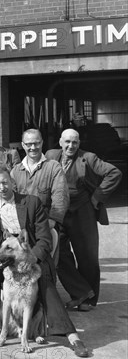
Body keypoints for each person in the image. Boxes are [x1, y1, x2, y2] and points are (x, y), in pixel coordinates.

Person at [0, 164, 89, 358]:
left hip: (32, 260)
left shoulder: (32, 203)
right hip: (6, 261)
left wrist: (31, 260)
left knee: (45, 284)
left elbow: (45, 239)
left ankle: (72, 337)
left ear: (12, 182)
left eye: (5, 182)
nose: (2, 187)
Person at [45, 128, 122, 310]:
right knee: (57, 253)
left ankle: (89, 301)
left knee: (87, 256)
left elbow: (114, 173)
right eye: (67, 142)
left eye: (75, 142)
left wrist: (97, 197)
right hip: (58, 211)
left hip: (82, 211)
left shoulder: (89, 158)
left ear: (79, 143)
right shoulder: (50, 155)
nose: (71, 146)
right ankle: (81, 293)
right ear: (60, 142)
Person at [10, 129, 69, 232]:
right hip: (21, 227)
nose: (33, 148)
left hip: (46, 225)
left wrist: (53, 220)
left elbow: (60, 196)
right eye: (29, 144)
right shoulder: (15, 171)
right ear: (23, 145)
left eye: (36, 143)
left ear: (41, 143)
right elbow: (10, 198)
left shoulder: (53, 167)